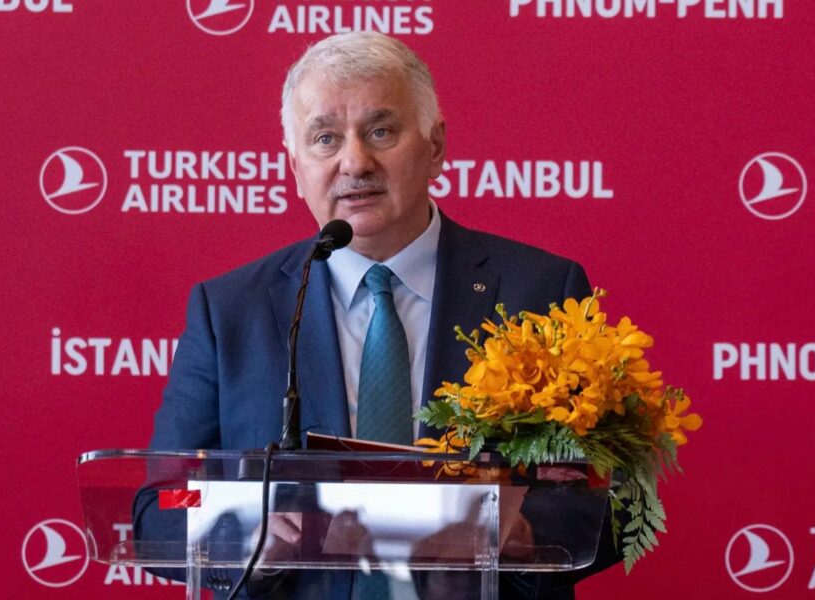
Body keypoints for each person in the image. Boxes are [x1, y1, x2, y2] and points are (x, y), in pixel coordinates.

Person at [139, 31, 617, 598]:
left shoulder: (539, 291)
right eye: (325, 139)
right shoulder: (229, 311)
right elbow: (162, 506)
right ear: (295, 165)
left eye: (381, 132)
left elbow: (608, 494)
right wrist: (244, 539)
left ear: (435, 146)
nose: (354, 162)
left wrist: (522, 533)